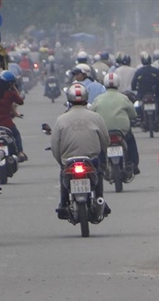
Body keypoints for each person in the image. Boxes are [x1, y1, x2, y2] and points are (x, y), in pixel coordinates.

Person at [50, 83, 110, 218]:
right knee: (99, 173)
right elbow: (105, 140)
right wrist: (102, 152)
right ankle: (100, 199)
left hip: (68, 162)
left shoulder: (61, 119)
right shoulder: (95, 117)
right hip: (91, 160)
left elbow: (55, 146)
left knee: (63, 175)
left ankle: (63, 203)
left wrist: (61, 162)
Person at [91, 73, 140, 174]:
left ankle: (102, 163)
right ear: (118, 84)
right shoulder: (124, 98)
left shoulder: (98, 99)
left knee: (100, 145)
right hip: (122, 132)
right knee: (130, 141)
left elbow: (92, 114)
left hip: (104, 131)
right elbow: (133, 114)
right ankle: (133, 163)